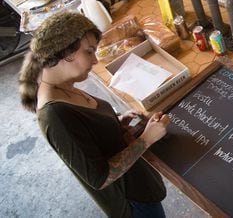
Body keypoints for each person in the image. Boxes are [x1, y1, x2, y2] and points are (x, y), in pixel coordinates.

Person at [19, 12, 170, 217]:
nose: (95, 60)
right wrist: (146, 139)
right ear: (65, 53)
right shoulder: (55, 117)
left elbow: (87, 131)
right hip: (132, 203)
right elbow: (100, 177)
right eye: (89, 52)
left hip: (137, 182)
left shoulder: (65, 84)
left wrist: (114, 122)